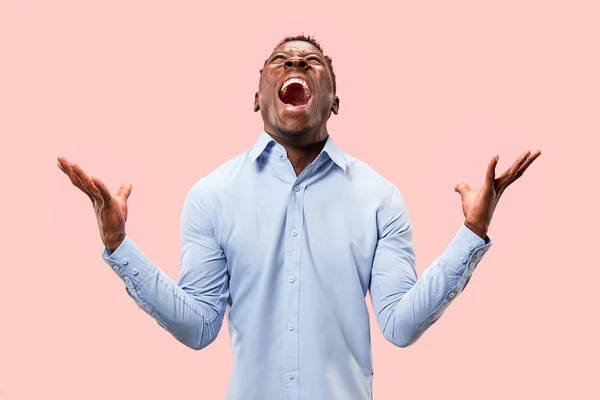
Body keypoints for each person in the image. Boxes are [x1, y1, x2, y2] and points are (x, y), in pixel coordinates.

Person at [57, 34, 541, 400]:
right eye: (280, 60)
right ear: (256, 98)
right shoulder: (212, 196)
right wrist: (120, 246)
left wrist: (471, 233)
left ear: (333, 100)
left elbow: (400, 324)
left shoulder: (378, 198)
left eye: (312, 61)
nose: (294, 63)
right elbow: (199, 326)